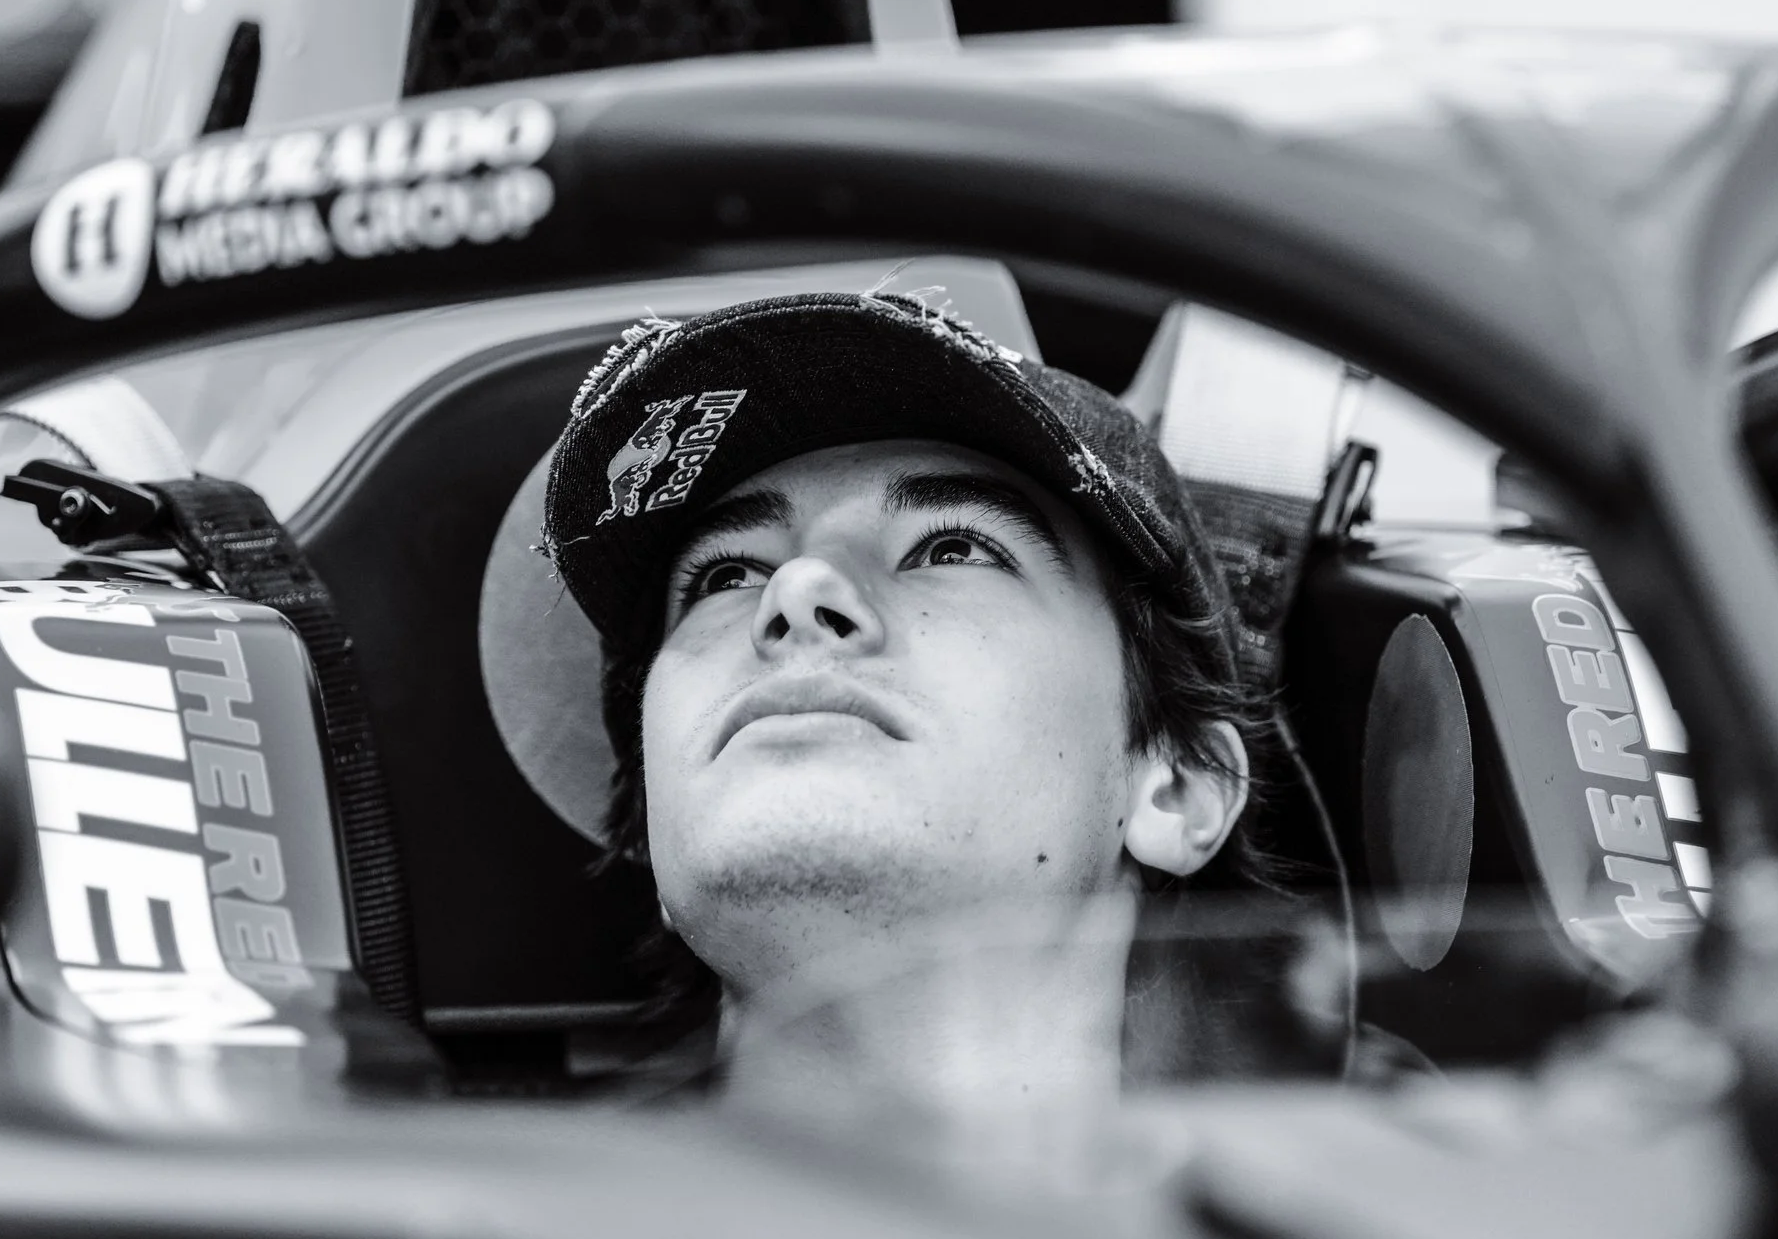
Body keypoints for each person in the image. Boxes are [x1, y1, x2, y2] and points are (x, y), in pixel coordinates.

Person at [544, 290, 1282, 1143]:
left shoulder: (1372, 1213)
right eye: (725, 576)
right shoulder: (446, 1220)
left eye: (952, 548)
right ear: (653, 824)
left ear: (1179, 788)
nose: (798, 589)